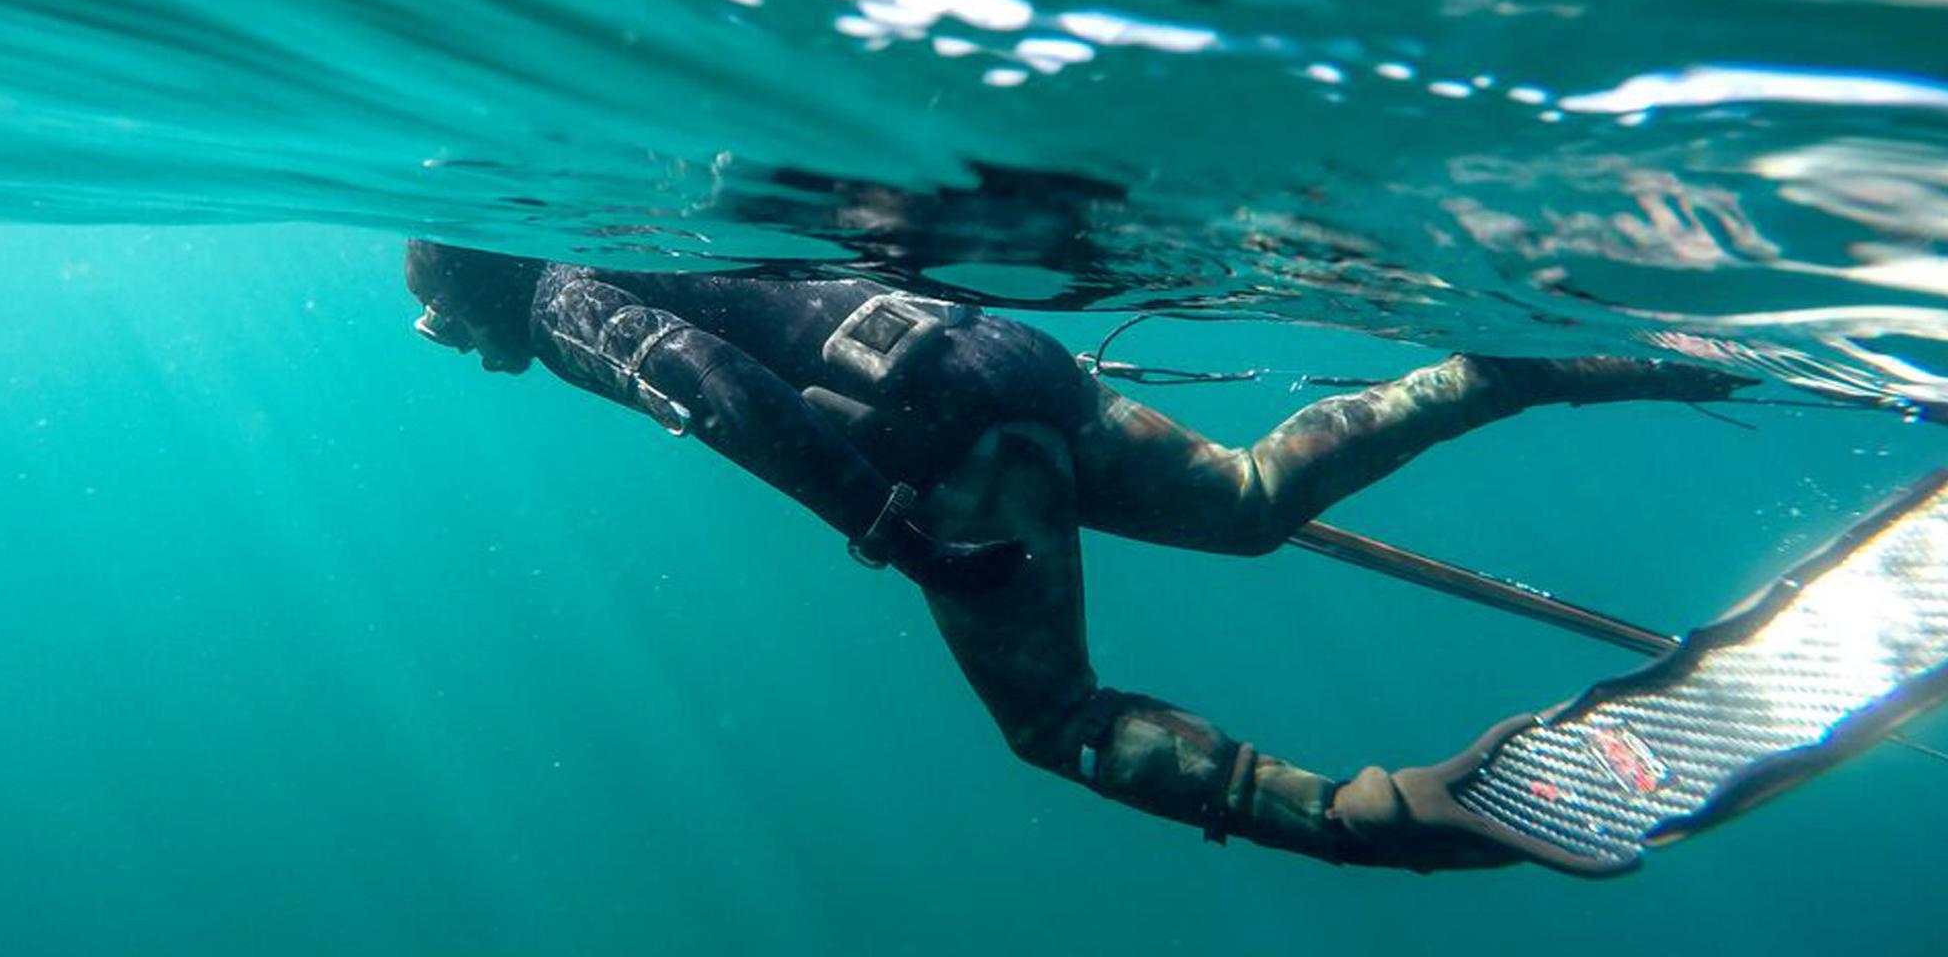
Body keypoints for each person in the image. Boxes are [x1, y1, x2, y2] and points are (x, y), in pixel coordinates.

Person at [404, 240, 1752, 871]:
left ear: (468, 286)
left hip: (948, 440)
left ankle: (1375, 819)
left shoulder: (561, 293)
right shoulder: (639, 225)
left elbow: (703, 380)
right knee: (1252, 498)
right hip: (1003, 358)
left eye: (438, 316)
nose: (450, 343)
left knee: (1050, 719)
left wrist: (885, 522)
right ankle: (1510, 374)